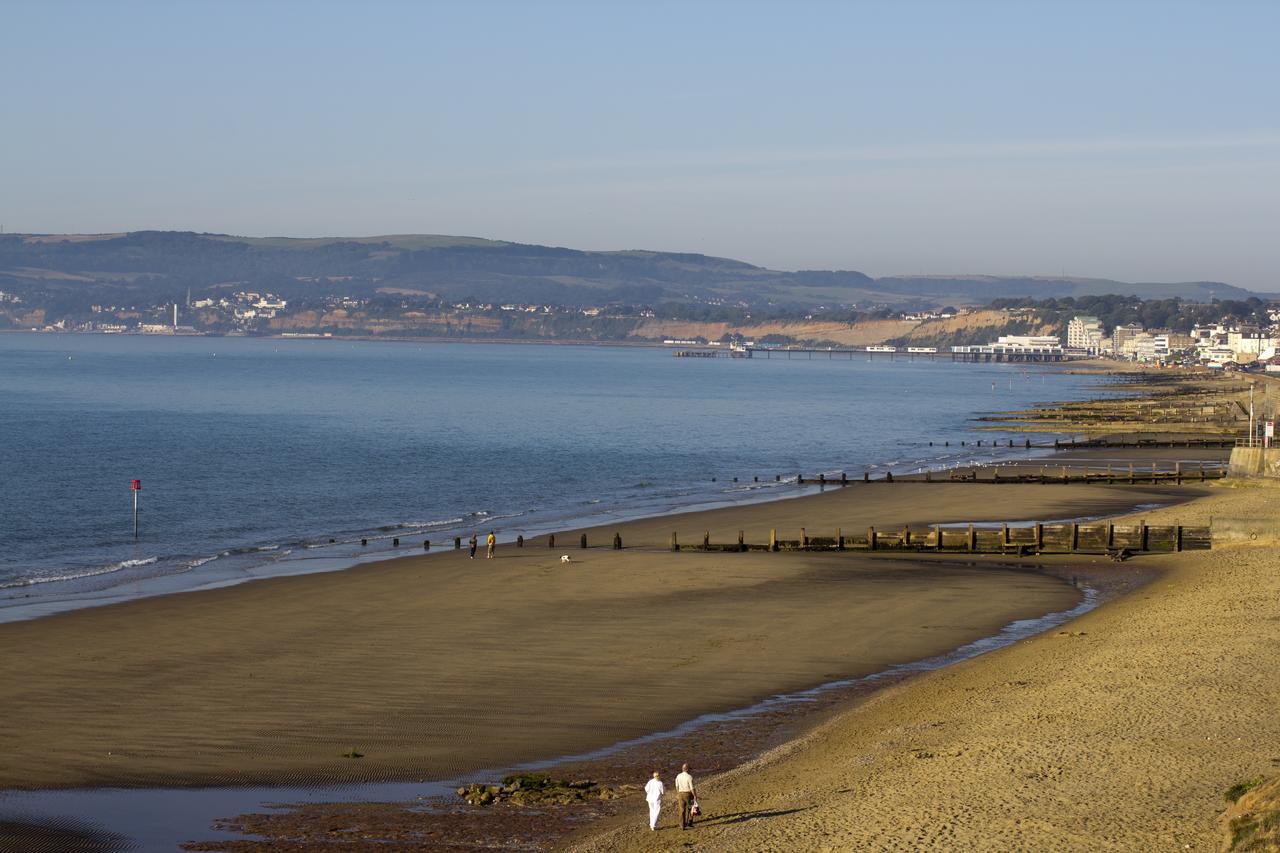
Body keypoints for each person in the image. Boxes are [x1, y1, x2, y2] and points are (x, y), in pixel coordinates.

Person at [675, 763, 698, 829]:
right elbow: (692, 788)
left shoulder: (678, 776)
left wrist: (677, 793)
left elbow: (676, 785)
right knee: (692, 808)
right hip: (688, 794)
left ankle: (682, 825)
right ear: (687, 769)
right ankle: (690, 822)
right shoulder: (689, 777)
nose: (690, 771)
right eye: (689, 769)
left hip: (680, 793)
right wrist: (695, 795)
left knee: (682, 810)